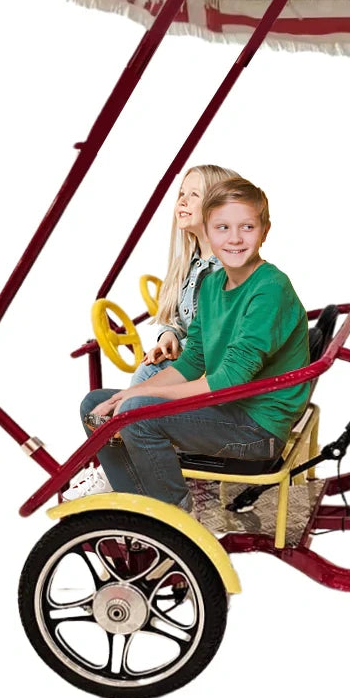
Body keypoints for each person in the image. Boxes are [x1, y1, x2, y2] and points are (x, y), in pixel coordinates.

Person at [77, 177, 310, 512]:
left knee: (135, 415)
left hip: (257, 427)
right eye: (222, 228)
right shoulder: (212, 285)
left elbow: (229, 379)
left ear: (265, 230)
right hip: (227, 408)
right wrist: (125, 395)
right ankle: (138, 506)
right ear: (208, 230)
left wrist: (136, 398)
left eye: (246, 227)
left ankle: (174, 518)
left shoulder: (270, 288)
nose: (234, 238)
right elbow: (191, 361)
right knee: (94, 406)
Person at [65, 163, 238, 498]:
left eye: (194, 195)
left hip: (208, 383)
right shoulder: (193, 264)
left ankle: (126, 471)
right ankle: (124, 471)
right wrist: (168, 336)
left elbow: (219, 340)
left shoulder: (225, 271)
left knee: (144, 381)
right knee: (101, 400)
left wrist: (181, 355)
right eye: (181, 194)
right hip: (188, 368)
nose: (183, 202)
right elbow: (179, 318)